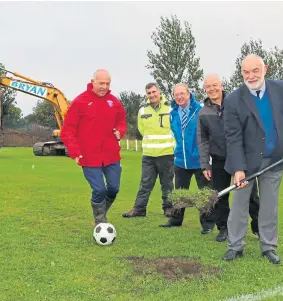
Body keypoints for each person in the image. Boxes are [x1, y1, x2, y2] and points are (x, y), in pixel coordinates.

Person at [222, 54, 283, 264]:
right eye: (246, 72)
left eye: (255, 71)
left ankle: (268, 247)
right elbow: (233, 137)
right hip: (246, 164)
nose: (250, 76)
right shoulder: (232, 100)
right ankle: (235, 246)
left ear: (264, 69)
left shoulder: (281, 89)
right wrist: (238, 168)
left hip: (275, 158)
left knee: (269, 206)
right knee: (239, 206)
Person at [197, 74, 260, 242]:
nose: (211, 89)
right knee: (220, 196)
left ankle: (258, 226)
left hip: (240, 157)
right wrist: (205, 165)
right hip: (218, 159)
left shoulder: (235, 103)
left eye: (214, 85)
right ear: (205, 90)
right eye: (208, 87)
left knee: (250, 195)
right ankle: (224, 228)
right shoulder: (203, 113)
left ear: (221, 85)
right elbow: (202, 140)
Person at [60, 69, 127, 226]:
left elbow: (121, 120)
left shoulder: (114, 101)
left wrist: (120, 130)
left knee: (113, 188)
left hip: (111, 155)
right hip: (89, 156)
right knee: (99, 190)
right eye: (101, 83)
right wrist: (75, 151)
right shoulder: (79, 102)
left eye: (107, 83)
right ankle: (100, 220)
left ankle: (101, 212)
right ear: (93, 82)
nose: (104, 86)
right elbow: (68, 130)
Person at [159, 83, 213, 233]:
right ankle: (176, 220)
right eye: (176, 94)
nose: (179, 97)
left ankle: (207, 225)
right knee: (180, 192)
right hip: (181, 160)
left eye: (182, 93)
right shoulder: (173, 113)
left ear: (189, 94)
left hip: (199, 160)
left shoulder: (200, 109)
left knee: (205, 194)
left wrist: (206, 158)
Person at [122, 82, 175, 218]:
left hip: (167, 153)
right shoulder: (142, 111)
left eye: (153, 92)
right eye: (149, 93)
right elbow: (141, 130)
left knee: (167, 184)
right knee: (145, 183)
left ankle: (168, 209)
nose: (152, 95)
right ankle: (139, 209)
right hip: (148, 155)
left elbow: (175, 128)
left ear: (159, 92)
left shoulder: (171, 108)